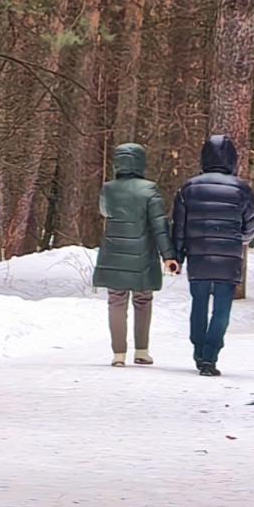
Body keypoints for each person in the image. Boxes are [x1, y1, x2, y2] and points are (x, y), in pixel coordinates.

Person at [166, 134, 254, 377]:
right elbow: (251, 224)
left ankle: (198, 349)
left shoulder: (189, 188)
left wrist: (177, 256)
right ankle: (210, 356)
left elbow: (179, 226)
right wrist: (240, 240)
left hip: (199, 255)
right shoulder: (242, 189)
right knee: (221, 309)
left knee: (198, 304)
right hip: (228, 258)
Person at [91, 142, 167, 366]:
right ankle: (141, 351)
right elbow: (159, 225)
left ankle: (118, 354)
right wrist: (169, 254)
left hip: (113, 251)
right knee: (143, 300)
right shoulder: (150, 189)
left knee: (116, 301)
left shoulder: (108, 188)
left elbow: (104, 212)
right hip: (142, 254)